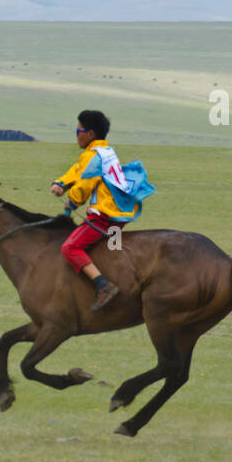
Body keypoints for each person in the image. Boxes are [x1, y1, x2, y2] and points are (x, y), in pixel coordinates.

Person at [50, 110, 140, 312]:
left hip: (104, 215)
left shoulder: (92, 156)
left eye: (78, 130)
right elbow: (78, 170)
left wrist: (71, 202)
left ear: (89, 134)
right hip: (120, 213)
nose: (76, 134)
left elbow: (86, 183)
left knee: (70, 248)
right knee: (108, 246)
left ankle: (103, 286)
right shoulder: (105, 152)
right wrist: (61, 182)